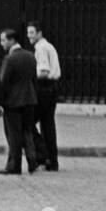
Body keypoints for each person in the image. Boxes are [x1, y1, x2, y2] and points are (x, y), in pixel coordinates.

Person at [0, 28, 38, 175]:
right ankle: (32, 159)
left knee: (13, 134)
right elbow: (34, 79)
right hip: (29, 99)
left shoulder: (9, 59)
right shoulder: (30, 56)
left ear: (12, 40)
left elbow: (3, 82)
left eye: (3, 40)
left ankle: (14, 165)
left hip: (13, 102)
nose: (1, 43)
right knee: (27, 130)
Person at [27, 21, 62, 171]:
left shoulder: (40, 48)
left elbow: (43, 71)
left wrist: (29, 76)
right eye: (28, 32)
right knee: (48, 124)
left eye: (32, 33)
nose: (29, 36)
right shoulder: (48, 46)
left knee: (28, 122)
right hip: (51, 88)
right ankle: (51, 159)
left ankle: (43, 154)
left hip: (44, 88)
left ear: (39, 33)